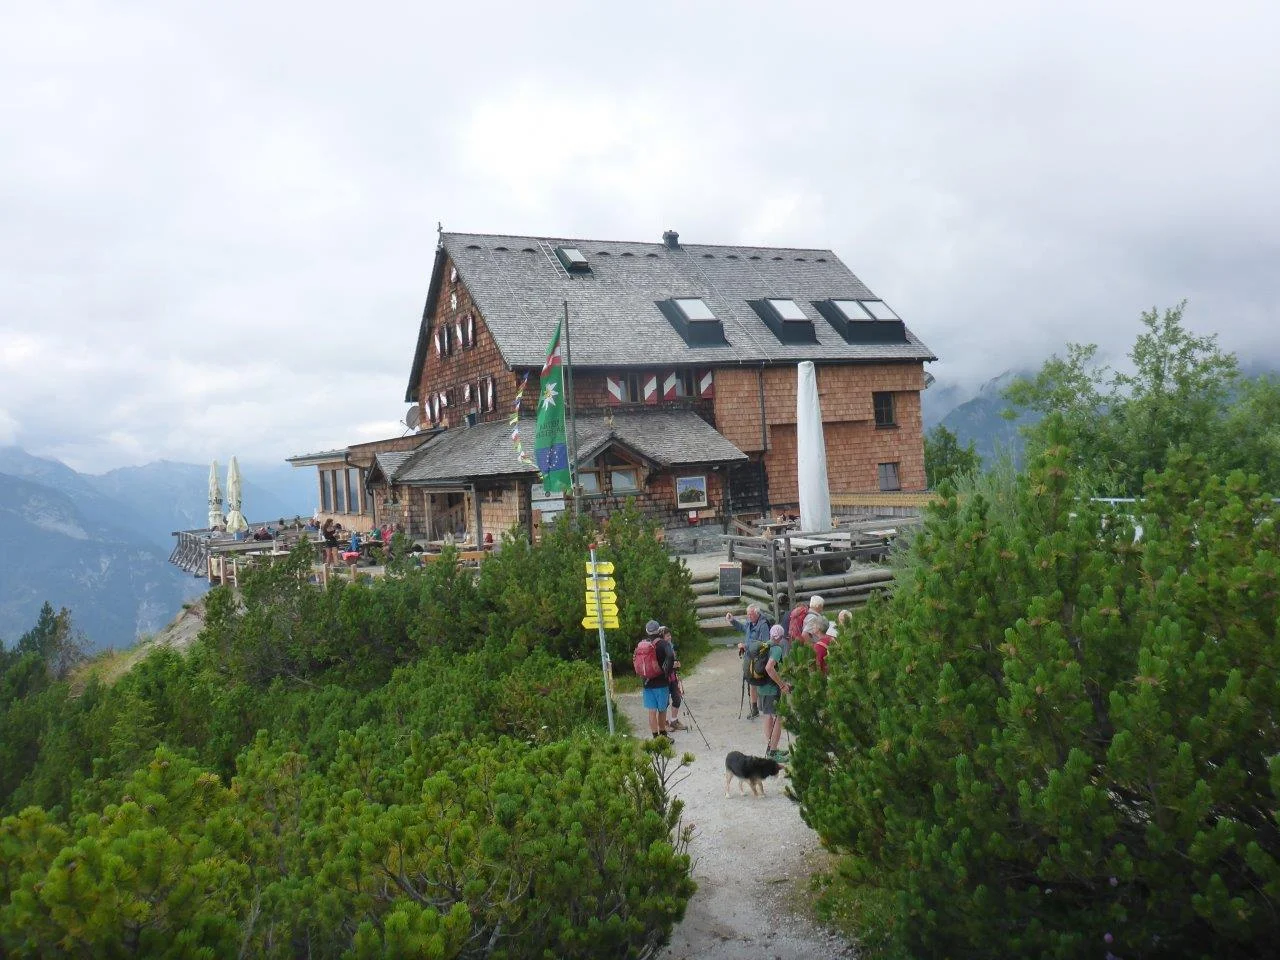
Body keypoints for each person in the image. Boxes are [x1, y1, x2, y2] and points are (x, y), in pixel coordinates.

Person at [727, 604, 771, 719]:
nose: (749, 616)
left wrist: (746, 646)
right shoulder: (750, 623)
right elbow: (743, 628)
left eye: (751, 614)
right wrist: (732, 621)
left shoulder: (763, 625)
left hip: (759, 659)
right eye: (748, 614)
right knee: (752, 683)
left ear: (757, 613)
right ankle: (755, 709)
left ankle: (767, 706)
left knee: (761, 682)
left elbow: (765, 643)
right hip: (749, 658)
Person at [759, 624, 792, 761]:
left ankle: (772, 748)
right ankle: (773, 752)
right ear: (782, 637)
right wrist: (782, 685)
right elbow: (769, 668)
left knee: (768, 717)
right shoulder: (776, 649)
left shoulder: (764, 645)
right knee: (778, 718)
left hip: (762, 687)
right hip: (772, 689)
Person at [641, 619, 675, 739]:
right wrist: (668, 670)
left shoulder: (643, 643)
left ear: (647, 631)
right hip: (661, 682)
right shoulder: (662, 643)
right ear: (658, 630)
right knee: (662, 710)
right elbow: (670, 656)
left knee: (651, 711)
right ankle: (663, 736)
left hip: (647, 682)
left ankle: (655, 737)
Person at [662, 626, 686, 731]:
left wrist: (677, 666)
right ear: (662, 637)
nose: (670, 637)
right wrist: (673, 665)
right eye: (667, 636)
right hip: (664, 678)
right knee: (665, 702)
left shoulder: (671, 647)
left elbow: (675, 661)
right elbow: (661, 665)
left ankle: (674, 721)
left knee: (677, 698)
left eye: (669, 635)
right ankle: (664, 723)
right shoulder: (660, 648)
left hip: (673, 677)